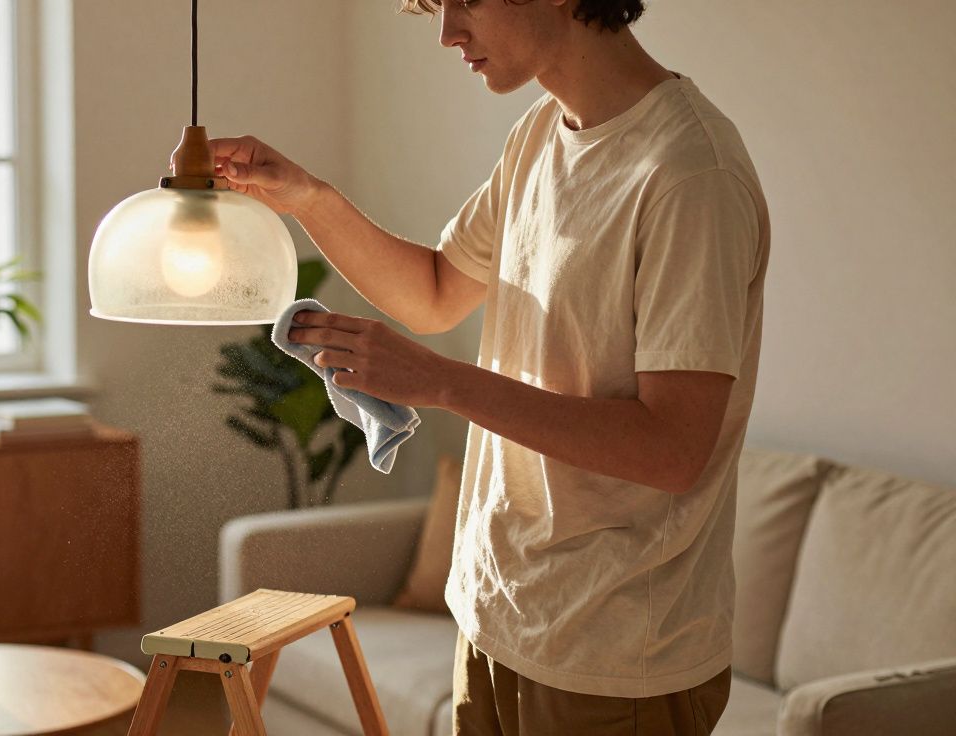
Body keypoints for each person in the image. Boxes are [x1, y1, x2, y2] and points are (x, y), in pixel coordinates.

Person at [208, 0, 768, 733]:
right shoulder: (539, 132)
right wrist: (307, 197)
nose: (447, 33)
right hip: (495, 618)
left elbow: (672, 449)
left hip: (613, 658)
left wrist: (441, 382)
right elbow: (436, 291)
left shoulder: (691, 172)